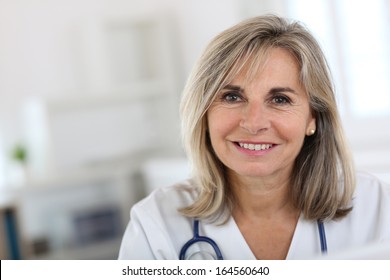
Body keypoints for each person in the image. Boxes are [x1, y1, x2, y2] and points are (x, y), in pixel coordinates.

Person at [118, 15, 390, 260]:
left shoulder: (376, 208)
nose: (254, 122)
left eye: (280, 99)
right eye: (232, 97)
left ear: (313, 118)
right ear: (203, 114)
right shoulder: (155, 225)